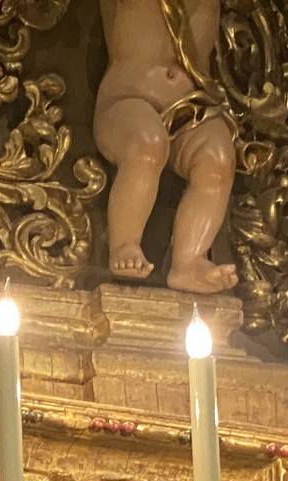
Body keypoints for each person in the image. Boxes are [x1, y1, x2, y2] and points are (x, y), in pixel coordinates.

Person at [95, 0, 240, 295]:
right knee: (147, 144)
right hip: (127, 99)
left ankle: (189, 261)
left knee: (218, 158)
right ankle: (124, 243)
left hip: (191, 107)